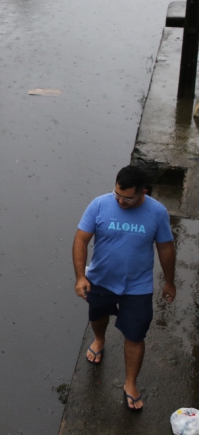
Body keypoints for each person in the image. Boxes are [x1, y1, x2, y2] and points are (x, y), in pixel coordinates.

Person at [72, 165, 176, 411]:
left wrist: (169, 281)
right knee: (97, 315)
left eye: (127, 197)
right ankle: (99, 339)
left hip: (137, 286)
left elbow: (165, 248)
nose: (120, 201)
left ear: (143, 192)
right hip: (100, 280)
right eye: (117, 194)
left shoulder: (157, 212)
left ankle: (130, 383)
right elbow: (81, 239)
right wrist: (80, 277)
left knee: (135, 334)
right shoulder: (99, 204)